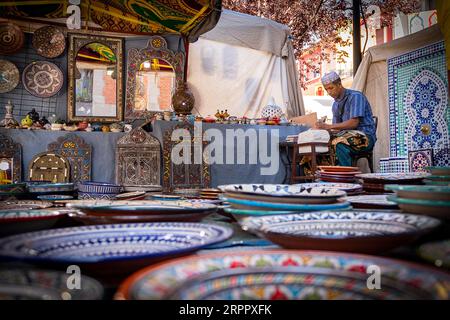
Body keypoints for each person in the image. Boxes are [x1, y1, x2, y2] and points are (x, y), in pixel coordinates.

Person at [314, 71, 377, 167]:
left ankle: (345, 178)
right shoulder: (335, 105)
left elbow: (354, 123)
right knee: (321, 146)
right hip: (345, 136)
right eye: (326, 90)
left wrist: (328, 126)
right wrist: (322, 130)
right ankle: (328, 176)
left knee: (338, 143)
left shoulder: (356, 96)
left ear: (339, 84)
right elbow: (336, 129)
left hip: (365, 137)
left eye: (331, 88)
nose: (329, 92)